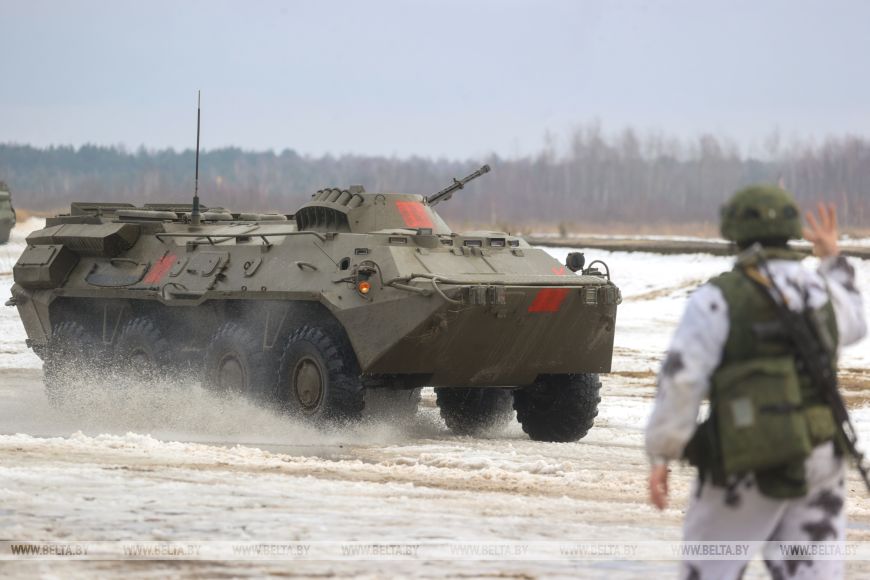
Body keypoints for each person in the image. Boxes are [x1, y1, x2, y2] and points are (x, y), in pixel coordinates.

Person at [645, 185, 866, 579]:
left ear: (733, 231)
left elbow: (681, 380)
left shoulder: (716, 299)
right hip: (818, 454)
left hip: (745, 458)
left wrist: (663, 453)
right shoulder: (821, 290)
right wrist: (832, 257)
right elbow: (855, 322)